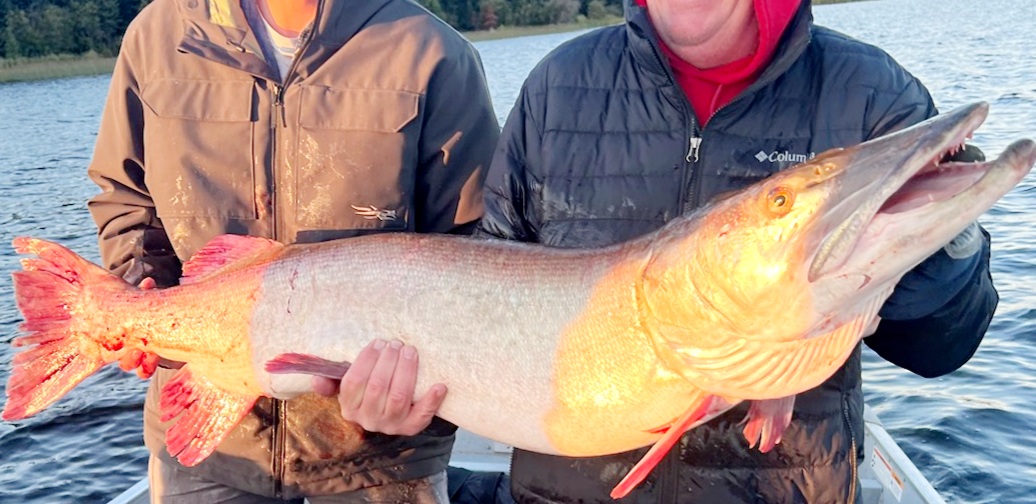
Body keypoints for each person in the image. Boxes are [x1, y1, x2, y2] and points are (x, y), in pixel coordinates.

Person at [474, 0, 998, 502]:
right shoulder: (558, 85)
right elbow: (485, 288)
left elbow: (940, 349)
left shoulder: (871, 93)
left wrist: (940, 238)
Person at [85, 0, 499, 500]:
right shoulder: (158, 34)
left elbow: (476, 250)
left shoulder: (431, 51)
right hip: (213, 447)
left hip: (382, 455)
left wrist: (421, 385)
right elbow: (127, 196)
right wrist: (137, 287)